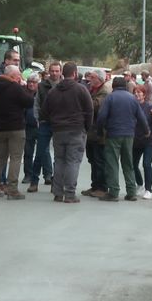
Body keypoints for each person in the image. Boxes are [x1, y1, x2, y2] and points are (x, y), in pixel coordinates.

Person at [42, 61, 93, 203]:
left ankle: (58, 192)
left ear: (63, 73)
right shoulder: (81, 90)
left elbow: (44, 112)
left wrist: (54, 122)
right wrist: (86, 127)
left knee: (59, 161)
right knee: (73, 162)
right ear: (75, 73)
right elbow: (89, 110)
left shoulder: (53, 91)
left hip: (58, 130)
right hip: (76, 130)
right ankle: (70, 194)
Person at [0, 64, 34, 200]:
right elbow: (29, 102)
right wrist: (26, 88)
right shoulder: (15, 87)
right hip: (16, 127)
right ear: (13, 76)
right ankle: (12, 189)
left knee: (0, 157)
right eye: (19, 75)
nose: (20, 77)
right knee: (15, 158)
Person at [96, 76, 149, 202]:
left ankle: (113, 192)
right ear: (125, 86)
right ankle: (131, 192)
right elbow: (141, 117)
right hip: (129, 135)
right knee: (128, 163)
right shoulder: (132, 98)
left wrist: (100, 131)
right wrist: (147, 130)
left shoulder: (110, 97)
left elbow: (102, 116)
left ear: (113, 86)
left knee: (112, 163)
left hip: (113, 134)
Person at [26, 61, 62, 192]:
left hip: (59, 124)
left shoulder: (64, 86)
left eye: (57, 71)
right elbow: (36, 104)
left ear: (61, 72)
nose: (54, 73)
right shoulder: (41, 86)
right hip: (44, 123)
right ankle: (34, 181)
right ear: (49, 72)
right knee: (40, 153)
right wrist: (38, 120)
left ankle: (55, 182)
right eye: (52, 71)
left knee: (59, 156)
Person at [81, 69, 110, 198]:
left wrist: (83, 100)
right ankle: (94, 186)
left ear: (99, 79)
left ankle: (102, 187)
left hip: (100, 133)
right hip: (91, 132)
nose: (89, 80)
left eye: (92, 77)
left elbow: (96, 106)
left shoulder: (104, 92)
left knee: (100, 161)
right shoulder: (91, 90)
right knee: (92, 160)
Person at [132, 85, 152, 200]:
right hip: (136, 140)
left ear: (144, 95)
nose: (137, 94)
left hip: (149, 140)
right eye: (135, 92)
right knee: (133, 164)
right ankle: (140, 184)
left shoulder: (150, 106)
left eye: (139, 92)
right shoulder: (132, 106)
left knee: (146, 164)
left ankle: (148, 190)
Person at [22, 72, 44, 184]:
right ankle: (28, 175)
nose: (31, 84)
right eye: (29, 82)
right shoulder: (23, 94)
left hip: (40, 126)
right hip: (28, 127)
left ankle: (48, 174)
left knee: (44, 152)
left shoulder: (41, 94)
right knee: (28, 152)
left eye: (34, 82)